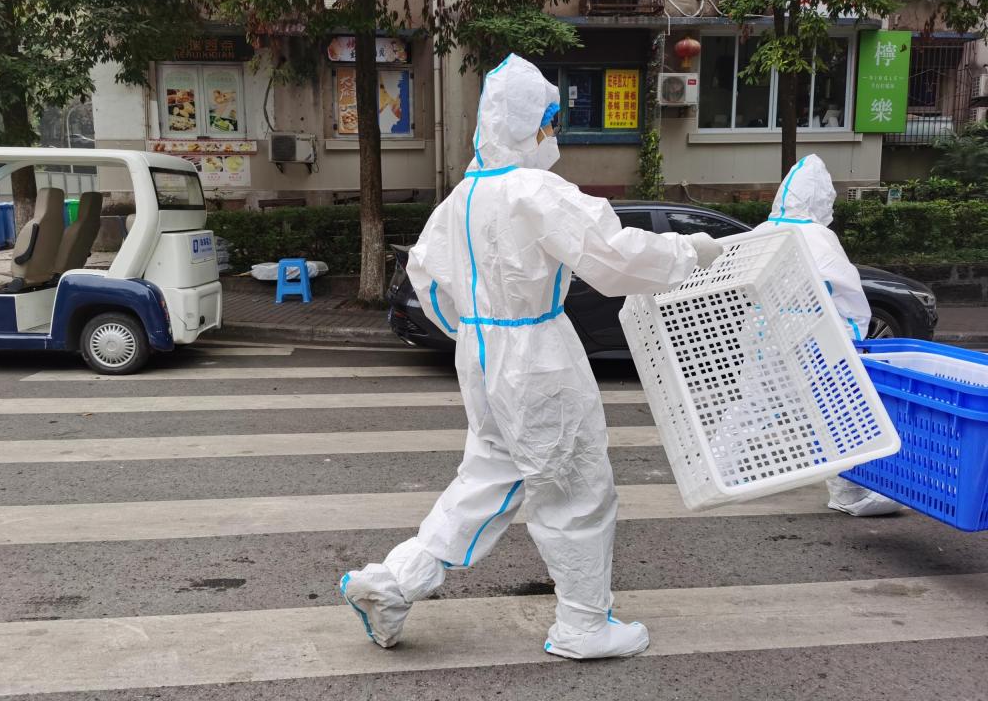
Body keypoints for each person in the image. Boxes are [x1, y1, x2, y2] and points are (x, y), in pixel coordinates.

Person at [339, 54, 723, 660]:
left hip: (482, 353)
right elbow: (615, 256)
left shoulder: (460, 199)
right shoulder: (537, 191)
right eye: (550, 121)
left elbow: (427, 281)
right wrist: (692, 251)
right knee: (574, 487)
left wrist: (474, 332)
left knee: (490, 475)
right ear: (532, 123)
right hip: (538, 353)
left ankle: (392, 583)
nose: (554, 133)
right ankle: (583, 625)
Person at [755, 154, 901, 517]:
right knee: (838, 414)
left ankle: (726, 470)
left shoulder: (765, 231)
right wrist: (854, 334)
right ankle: (848, 493)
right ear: (822, 198)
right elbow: (846, 291)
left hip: (767, 336)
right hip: (817, 339)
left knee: (755, 405)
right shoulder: (818, 237)